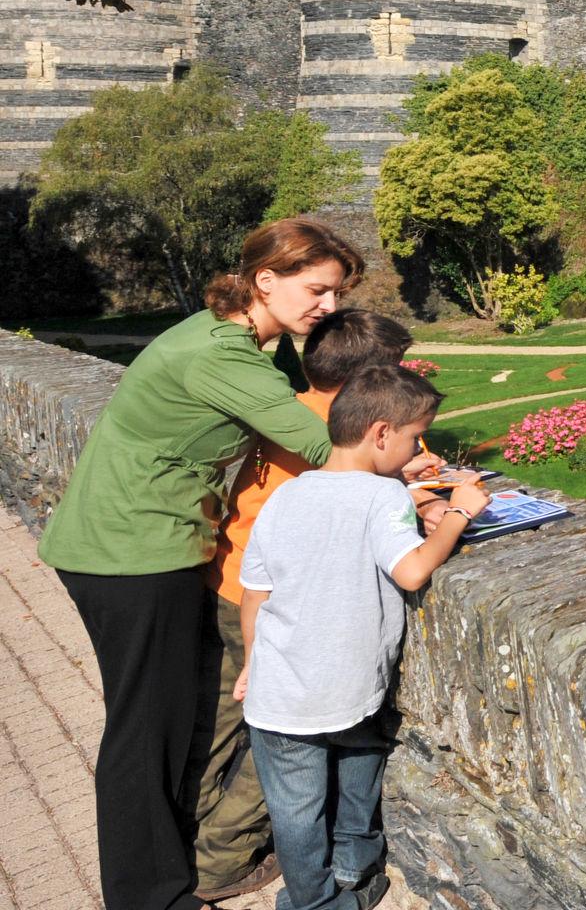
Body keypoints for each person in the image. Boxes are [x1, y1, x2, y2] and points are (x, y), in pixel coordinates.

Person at [39, 217, 365, 910]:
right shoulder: (222, 355)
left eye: (335, 294)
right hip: (128, 552)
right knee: (144, 729)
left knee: (177, 715)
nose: (328, 308)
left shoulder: (246, 340)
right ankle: (150, 897)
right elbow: (318, 446)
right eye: (318, 290)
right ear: (264, 279)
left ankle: (176, 858)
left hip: (155, 542)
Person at [235, 365, 488, 910]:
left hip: (277, 691)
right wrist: (459, 515)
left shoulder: (286, 496)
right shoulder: (381, 499)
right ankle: (340, 879)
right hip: (349, 687)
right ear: (380, 434)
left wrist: (252, 662)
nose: (417, 446)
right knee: (360, 756)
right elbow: (412, 571)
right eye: (413, 436)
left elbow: (255, 593)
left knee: (295, 813)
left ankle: (313, 894)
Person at [192, 309, 420, 899]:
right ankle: (223, 861)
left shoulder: (289, 408)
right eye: (392, 375)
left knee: (225, 731)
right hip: (290, 602)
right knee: (282, 746)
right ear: (366, 391)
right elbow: (358, 512)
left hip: (236, 580)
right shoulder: (322, 439)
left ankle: (193, 837)